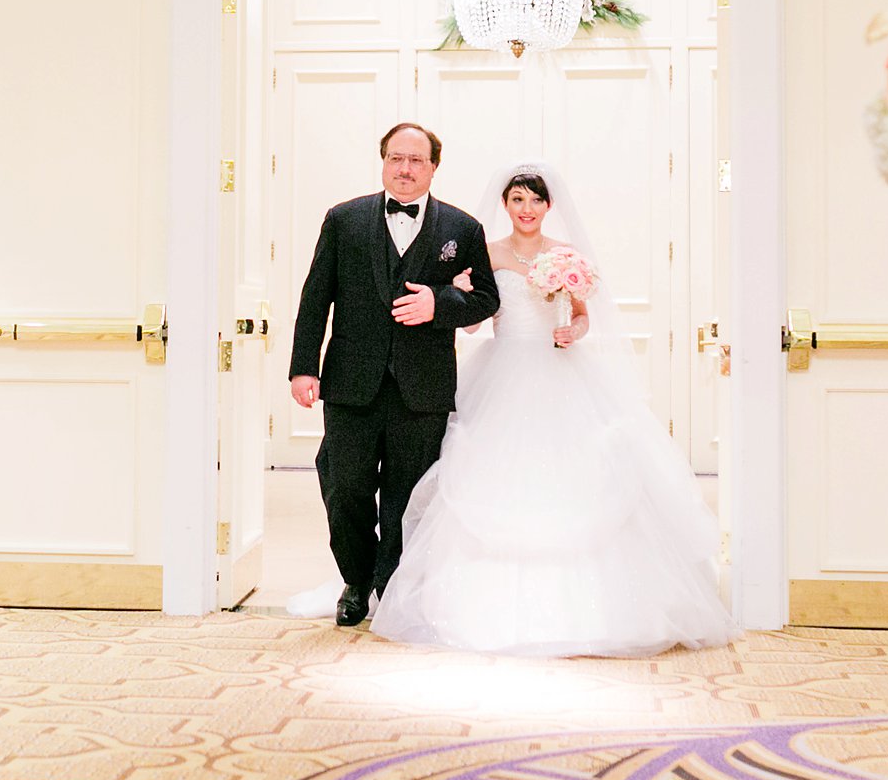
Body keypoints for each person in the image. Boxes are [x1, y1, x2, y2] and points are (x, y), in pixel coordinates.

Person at [371, 163, 739, 658]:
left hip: (562, 371)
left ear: (549, 207)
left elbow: (583, 317)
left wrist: (572, 332)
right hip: (502, 370)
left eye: (535, 201)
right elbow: (476, 322)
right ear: (506, 205)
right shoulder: (488, 252)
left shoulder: (567, 257)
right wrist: (458, 295)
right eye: (517, 200)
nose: (526, 210)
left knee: (582, 474)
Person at [289, 123, 500, 627]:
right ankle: (356, 578)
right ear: (383, 161)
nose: (405, 169)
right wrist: (303, 368)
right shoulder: (344, 220)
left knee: (408, 497)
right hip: (350, 383)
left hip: (421, 388)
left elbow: (487, 298)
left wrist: (439, 302)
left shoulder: (462, 229)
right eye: (396, 159)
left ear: (433, 167)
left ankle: (394, 585)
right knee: (345, 488)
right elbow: (316, 296)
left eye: (417, 161)